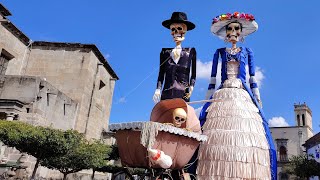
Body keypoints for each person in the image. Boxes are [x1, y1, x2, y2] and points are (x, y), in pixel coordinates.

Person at [197, 12, 277, 179]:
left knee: (247, 133)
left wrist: (257, 96)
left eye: (236, 28)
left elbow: (252, 77)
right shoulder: (219, 52)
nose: (233, 32)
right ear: (225, 32)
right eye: (230, 29)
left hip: (241, 91)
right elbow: (213, 77)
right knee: (216, 135)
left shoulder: (247, 51)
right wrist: (208, 98)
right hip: (224, 91)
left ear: (241, 32)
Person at [153, 12, 196, 103]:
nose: (175, 32)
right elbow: (161, 74)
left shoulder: (190, 51)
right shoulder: (165, 52)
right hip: (167, 93)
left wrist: (192, 86)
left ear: (185, 31)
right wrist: (158, 89)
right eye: (173, 29)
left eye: (179, 29)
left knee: (181, 115)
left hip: (183, 93)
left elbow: (193, 74)